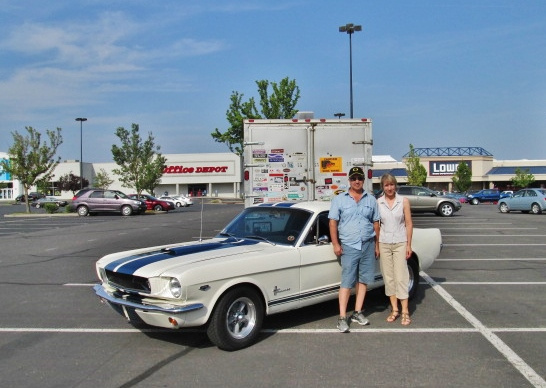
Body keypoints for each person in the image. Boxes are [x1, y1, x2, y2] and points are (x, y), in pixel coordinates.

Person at [328, 166, 380, 333]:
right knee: (347, 282)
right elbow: (332, 223)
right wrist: (335, 244)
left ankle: (357, 312)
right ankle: (342, 318)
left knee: (363, 280)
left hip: (367, 244)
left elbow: (376, 223)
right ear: (349, 180)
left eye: (360, 178)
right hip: (349, 245)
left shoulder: (371, 200)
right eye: (353, 178)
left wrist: (377, 245)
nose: (357, 181)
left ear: (363, 180)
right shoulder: (339, 200)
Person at [377, 173, 413, 326]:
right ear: (382, 187)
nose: (389, 188)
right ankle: (395, 310)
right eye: (386, 185)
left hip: (400, 242)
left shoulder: (403, 201)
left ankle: (405, 311)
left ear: (395, 185)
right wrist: (377, 245)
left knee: (401, 277)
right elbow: (377, 226)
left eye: (392, 185)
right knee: (389, 278)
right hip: (384, 243)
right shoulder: (378, 203)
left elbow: (409, 224)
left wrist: (409, 245)